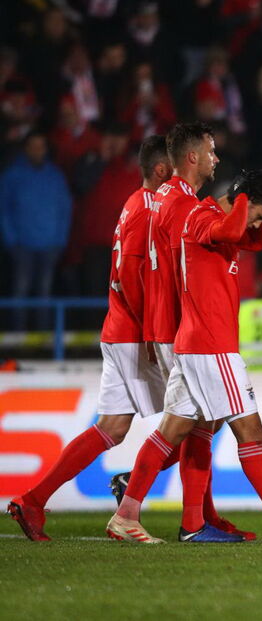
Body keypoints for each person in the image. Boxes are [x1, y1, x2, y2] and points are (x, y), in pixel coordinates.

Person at [107, 170, 262, 544]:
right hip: (211, 345)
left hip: (197, 343)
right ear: (244, 199)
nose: (258, 223)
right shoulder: (201, 216)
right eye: (260, 213)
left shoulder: (219, 221)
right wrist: (243, 198)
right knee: (251, 431)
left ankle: (126, 514)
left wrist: (251, 210)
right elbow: (233, 231)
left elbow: (254, 241)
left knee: (174, 431)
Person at [7, 136, 170, 541]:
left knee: (113, 428)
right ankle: (148, 499)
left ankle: (33, 500)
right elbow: (129, 278)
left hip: (121, 330)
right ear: (164, 170)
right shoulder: (147, 208)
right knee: (202, 416)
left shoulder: (135, 205)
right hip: (136, 335)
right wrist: (151, 330)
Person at [112, 122, 249, 542]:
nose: (216, 158)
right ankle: (157, 508)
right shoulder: (183, 205)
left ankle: (197, 517)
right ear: (192, 157)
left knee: (198, 421)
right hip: (179, 325)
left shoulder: (162, 199)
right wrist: (245, 199)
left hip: (170, 324)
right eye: (211, 151)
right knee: (193, 423)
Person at [0, 131, 72, 329]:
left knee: (44, 292)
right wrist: (11, 240)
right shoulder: (12, 175)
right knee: (20, 291)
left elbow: (65, 209)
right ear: (26, 149)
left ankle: (44, 342)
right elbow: (3, 209)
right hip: (21, 245)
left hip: (50, 245)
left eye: (41, 146)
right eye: (33, 146)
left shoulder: (55, 176)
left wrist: (60, 240)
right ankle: (17, 338)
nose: (37, 151)